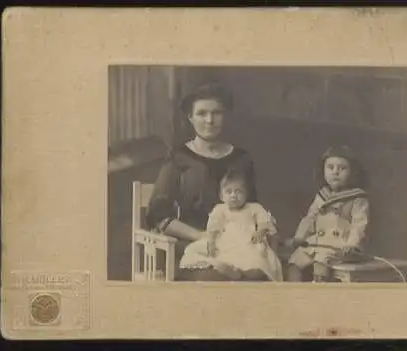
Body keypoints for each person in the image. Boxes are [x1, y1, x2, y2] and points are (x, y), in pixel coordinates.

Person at [145, 83, 264, 281]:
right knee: (216, 278)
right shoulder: (179, 157)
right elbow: (158, 215)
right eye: (201, 113)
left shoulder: (241, 158)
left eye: (216, 113)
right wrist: (202, 236)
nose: (209, 120)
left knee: (258, 277)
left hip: (239, 245)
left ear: (225, 116)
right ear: (190, 118)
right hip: (194, 245)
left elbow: (252, 208)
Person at [285, 145, 370, 282]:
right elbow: (310, 218)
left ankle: (319, 291)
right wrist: (300, 236)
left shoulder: (357, 198)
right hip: (318, 242)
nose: (335, 172)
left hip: (340, 244)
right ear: (323, 171)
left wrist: (352, 245)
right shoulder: (322, 196)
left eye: (342, 168)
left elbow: (359, 225)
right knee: (295, 261)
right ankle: (294, 292)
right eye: (330, 167)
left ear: (353, 172)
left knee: (321, 261)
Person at [179, 170, 283, 281]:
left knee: (257, 259)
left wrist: (260, 231)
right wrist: (212, 241)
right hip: (227, 240)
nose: (234, 195)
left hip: (249, 241)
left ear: (246, 194)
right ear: (221, 196)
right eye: (229, 192)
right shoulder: (220, 209)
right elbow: (214, 228)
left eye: (239, 192)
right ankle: (229, 270)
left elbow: (264, 222)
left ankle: (247, 273)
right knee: (198, 251)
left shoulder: (254, 207)